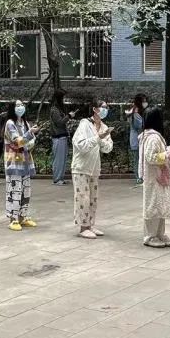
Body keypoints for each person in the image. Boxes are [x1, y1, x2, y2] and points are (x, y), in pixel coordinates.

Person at [71, 100, 114, 239]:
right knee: (82, 198)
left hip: (94, 168)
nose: (106, 110)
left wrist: (101, 139)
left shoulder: (104, 127)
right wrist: (97, 138)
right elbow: (80, 145)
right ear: (95, 109)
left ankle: (90, 224)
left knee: (93, 198)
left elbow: (108, 148)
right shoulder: (85, 124)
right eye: (103, 107)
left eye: (107, 108)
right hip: (81, 167)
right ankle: (83, 227)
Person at [138, 107, 170, 248]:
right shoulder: (153, 137)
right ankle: (150, 236)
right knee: (153, 205)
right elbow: (151, 157)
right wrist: (166, 154)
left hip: (158, 176)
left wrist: (167, 152)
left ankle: (160, 233)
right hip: (154, 177)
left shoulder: (150, 136)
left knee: (160, 205)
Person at [4, 100, 39, 231]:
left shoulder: (25, 123)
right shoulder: (10, 123)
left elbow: (30, 142)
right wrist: (29, 135)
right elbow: (17, 141)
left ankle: (22, 217)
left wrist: (28, 139)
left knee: (26, 190)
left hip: (26, 161)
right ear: (12, 108)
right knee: (15, 190)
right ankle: (13, 219)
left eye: (22, 105)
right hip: (14, 162)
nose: (20, 107)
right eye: (17, 105)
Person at [50, 90, 72, 186]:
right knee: (59, 159)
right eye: (63, 98)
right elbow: (59, 122)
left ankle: (60, 178)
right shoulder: (54, 110)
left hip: (62, 136)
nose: (64, 100)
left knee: (62, 159)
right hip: (58, 137)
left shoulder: (58, 109)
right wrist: (69, 116)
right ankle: (57, 179)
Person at [125, 94, 148, 184]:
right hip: (137, 139)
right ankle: (139, 177)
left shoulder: (134, 111)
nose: (145, 103)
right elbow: (139, 126)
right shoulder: (135, 113)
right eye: (143, 101)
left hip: (137, 139)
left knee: (139, 159)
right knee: (138, 159)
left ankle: (141, 177)